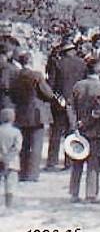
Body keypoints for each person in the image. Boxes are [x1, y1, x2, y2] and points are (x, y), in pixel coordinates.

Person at [10, 50, 61, 182]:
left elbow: (12, 94)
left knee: (24, 146)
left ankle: (23, 172)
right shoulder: (37, 76)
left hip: (21, 113)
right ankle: (33, 174)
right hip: (37, 114)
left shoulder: (15, 75)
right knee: (36, 145)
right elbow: (48, 94)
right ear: (31, 61)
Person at [67, 59, 100, 203]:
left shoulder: (78, 85)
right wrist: (85, 123)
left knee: (77, 161)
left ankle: (74, 193)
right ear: (99, 71)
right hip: (94, 131)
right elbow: (97, 112)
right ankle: (91, 194)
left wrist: (75, 125)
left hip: (78, 131)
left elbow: (69, 106)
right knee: (93, 164)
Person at [46, 40, 87, 171]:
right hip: (76, 102)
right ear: (73, 50)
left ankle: (52, 162)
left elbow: (51, 85)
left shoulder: (57, 63)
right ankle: (69, 162)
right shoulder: (82, 64)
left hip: (60, 102)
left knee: (56, 133)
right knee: (72, 132)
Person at [0, 108, 22, 208]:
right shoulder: (16, 132)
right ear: (13, 118)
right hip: (12, 162)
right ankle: (8, 205)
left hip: (0, 160)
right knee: (10, 184)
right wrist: (8, 157)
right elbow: (17, 147)